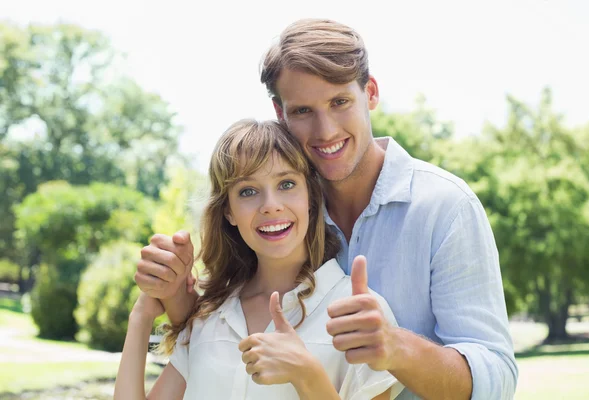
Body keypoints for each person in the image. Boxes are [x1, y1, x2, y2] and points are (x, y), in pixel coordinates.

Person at [136, 19, 518, 399]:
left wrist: (397, 348)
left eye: (340, 102)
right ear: (280, 112)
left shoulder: (446, 207)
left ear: (370, 92)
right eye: (303, 111)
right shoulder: (283, 209)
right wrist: (174, 295)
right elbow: (226, 326)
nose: (326, 131)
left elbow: (496, 379)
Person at [117, 119, 404, 399]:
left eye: (287, 184)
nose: (271, 206)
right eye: (248, 191)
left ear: (311, 198)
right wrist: (141, 314)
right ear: (228, 211)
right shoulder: (209, 314)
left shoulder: (359, 312)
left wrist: (307, 376)